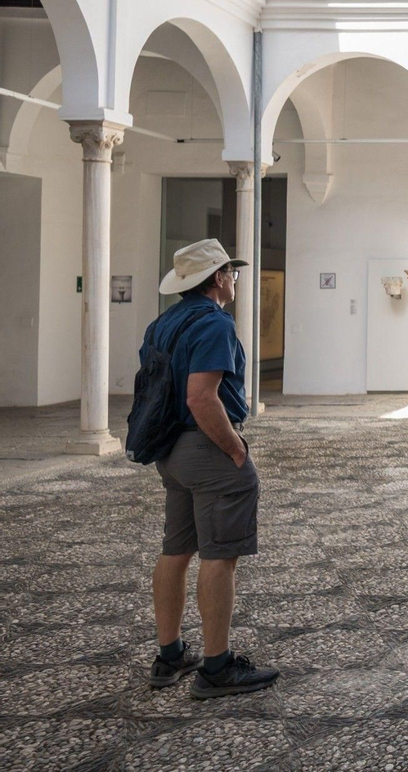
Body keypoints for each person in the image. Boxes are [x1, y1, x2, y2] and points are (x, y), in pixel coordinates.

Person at [143, 238, 279, 698]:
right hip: (207, 450)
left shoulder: (163, 324)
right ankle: (216, 668)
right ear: (219, 278)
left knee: (175, 550)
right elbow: (201, 396)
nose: (235, 279)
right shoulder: (215, 323)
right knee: (220, 557)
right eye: (232, 273)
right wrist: (236, 450)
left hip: (171, 452)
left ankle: (169, 656)